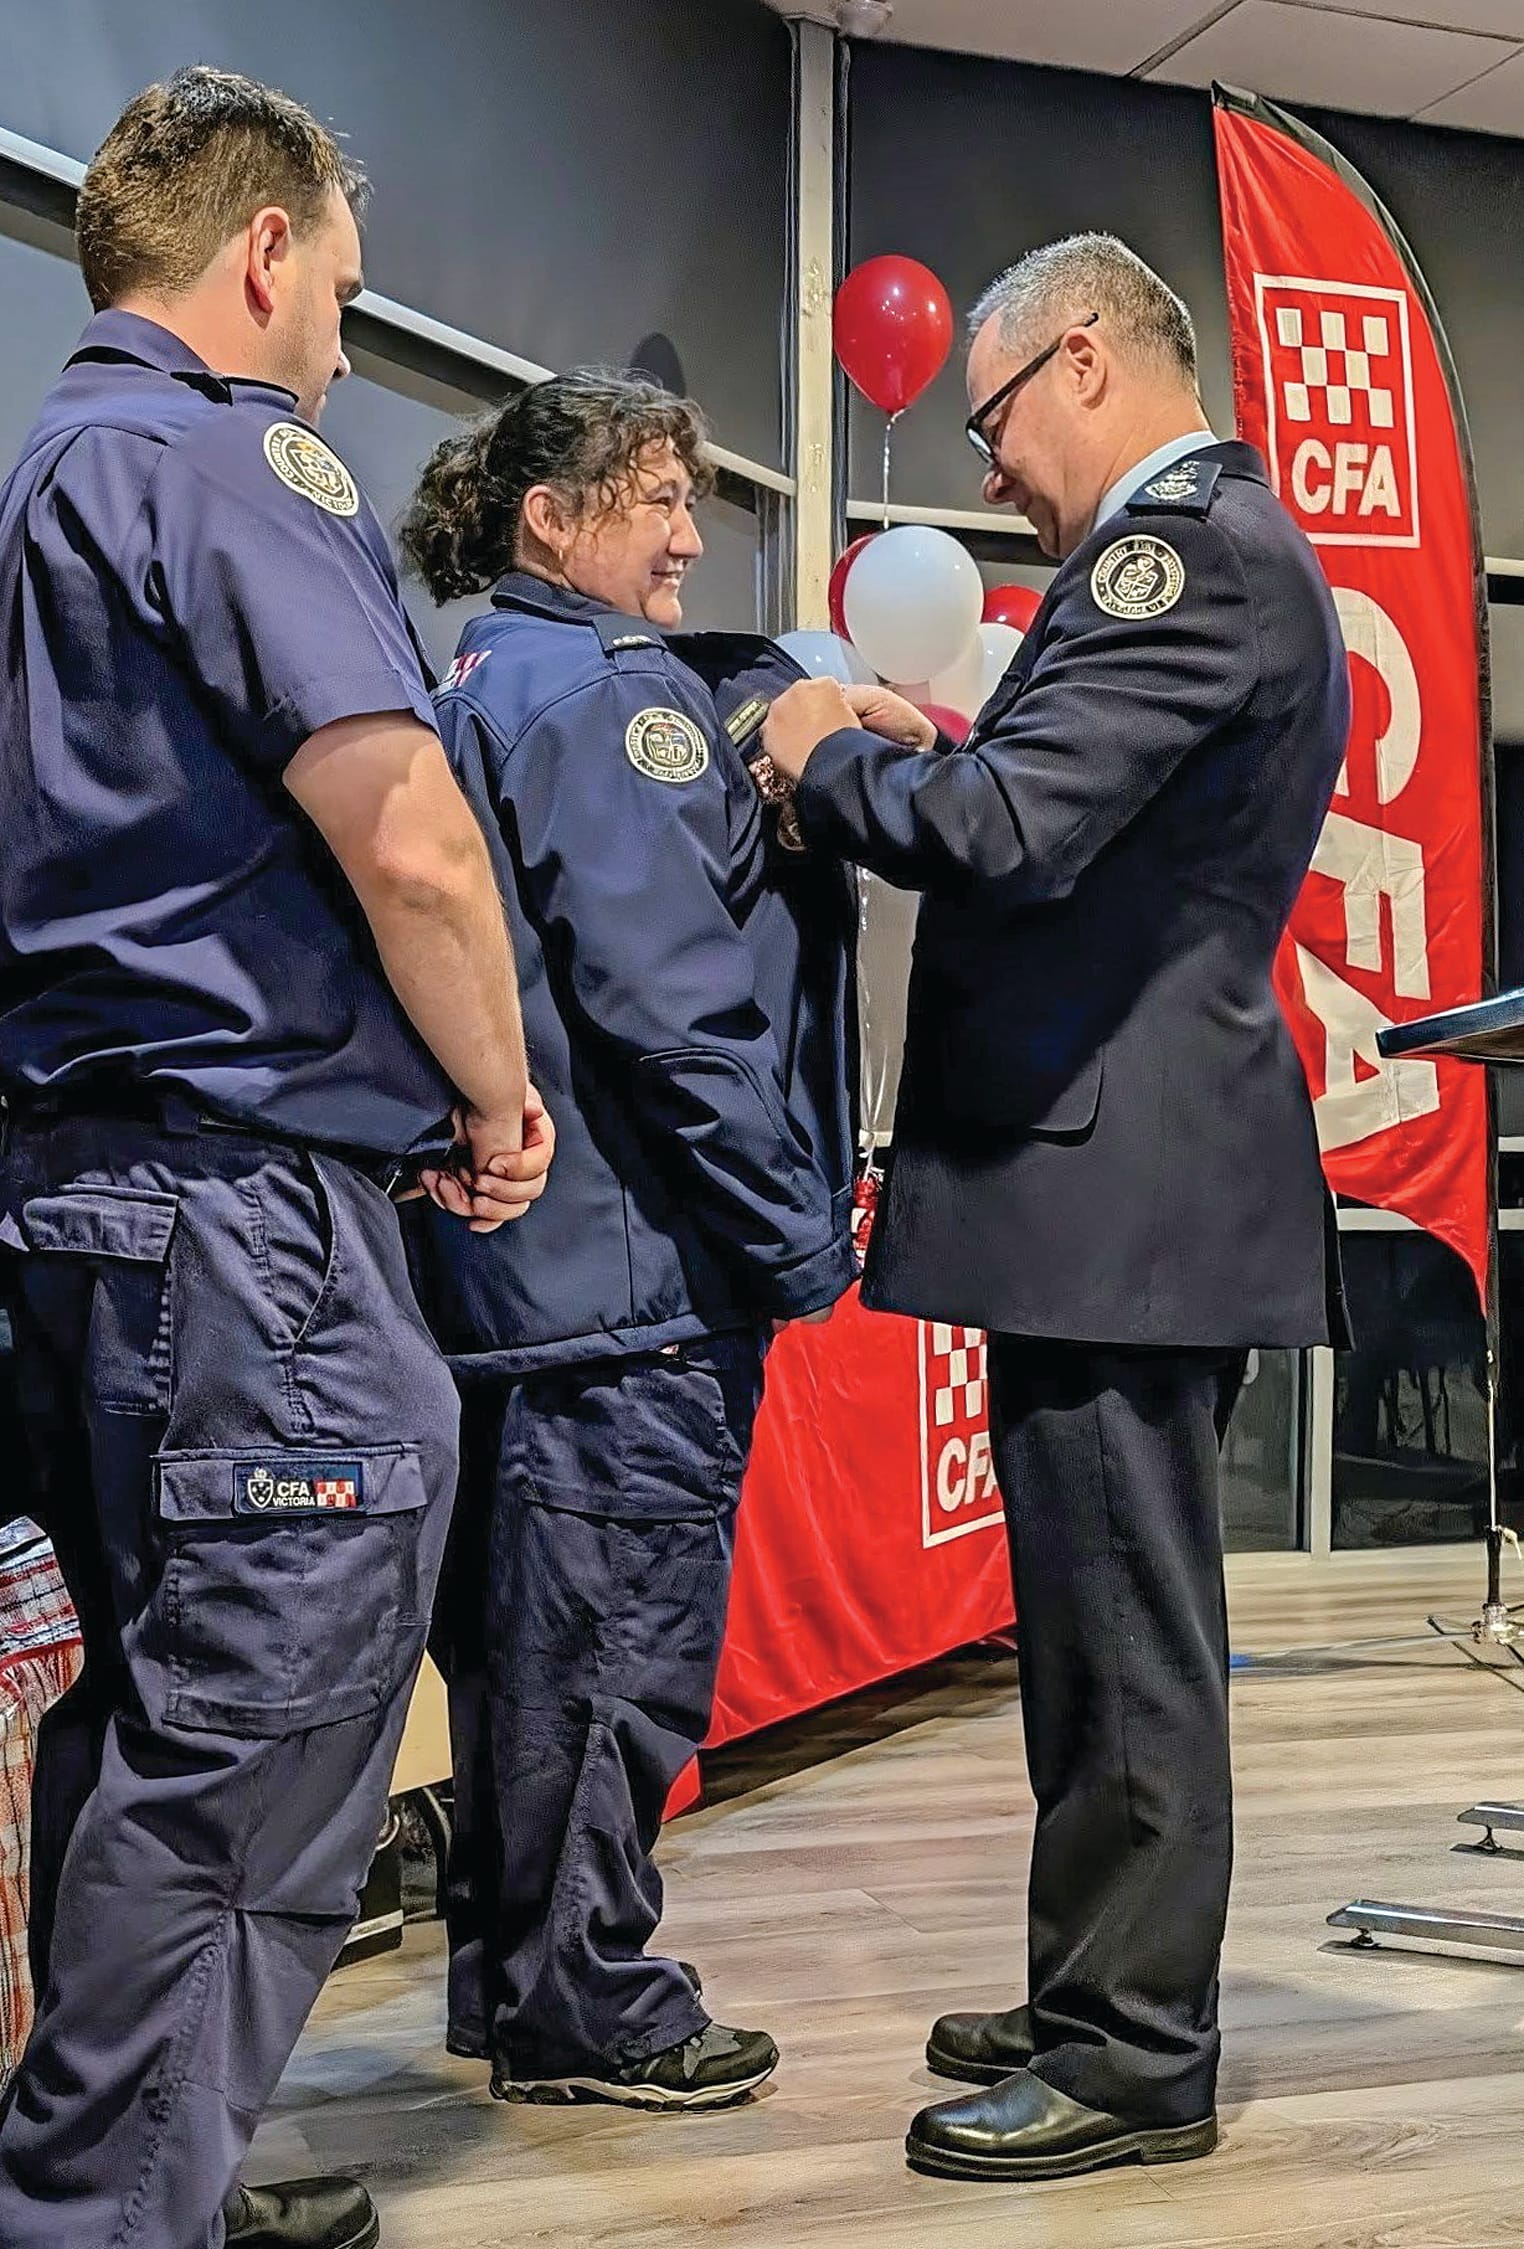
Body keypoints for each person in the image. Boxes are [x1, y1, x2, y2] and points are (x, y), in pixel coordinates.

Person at [0, 68, 552, 2249]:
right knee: (250, 1753)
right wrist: (497, 1103)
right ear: (261, 253)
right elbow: (409, 838)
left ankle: (139, 2179)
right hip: (246, 1233)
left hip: (79, 1199)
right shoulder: (229, 458)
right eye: (340, 277)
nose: (343, 321)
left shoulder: (41, 467)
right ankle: (104, 2218)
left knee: (148, 1721)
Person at [761, 233, 1350, 2184]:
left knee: (1125, 1631)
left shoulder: (1186, 559)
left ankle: (1133, 2056)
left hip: (1125, 1184)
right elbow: (1063, 803)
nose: (991, 468)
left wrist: (825, 752)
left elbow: (1014, 835)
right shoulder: (1197, 559)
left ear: (1080, 362)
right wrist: (950, 749)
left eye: (993, 419)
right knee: (1088, 1631)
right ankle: (1095, 1975)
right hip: (1115, 1178)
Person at [399, 369, 857, 2110]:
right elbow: (674, 1009)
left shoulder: (477, 672)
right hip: (631, 1287)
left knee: (518, 1660)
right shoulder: (602, 692)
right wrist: (795, 1241)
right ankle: (586, 2003)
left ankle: (512, 1986)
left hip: (517, 1287)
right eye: (658, 497)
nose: (687, 533)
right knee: (608, 1665)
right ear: (555, 519)